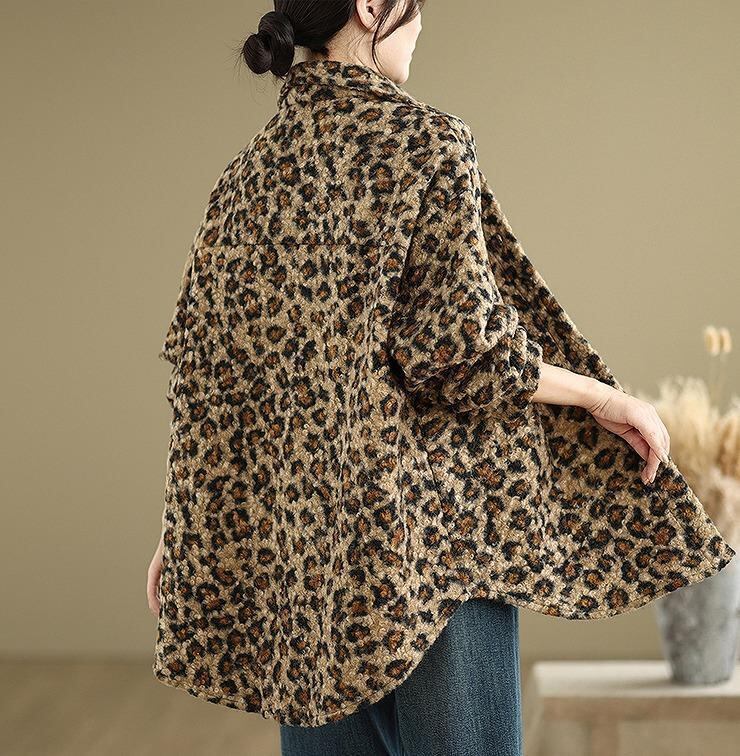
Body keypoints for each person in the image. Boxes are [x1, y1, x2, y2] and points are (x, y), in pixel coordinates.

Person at [146, 2, 734, 754]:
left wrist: (180, 526)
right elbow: (463, 349)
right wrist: (603, 398)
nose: (423, 24)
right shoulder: (423, 142)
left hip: (307, 564)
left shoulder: (244, 180)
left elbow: (210, 373)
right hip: (429, 544)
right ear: (371, 6)